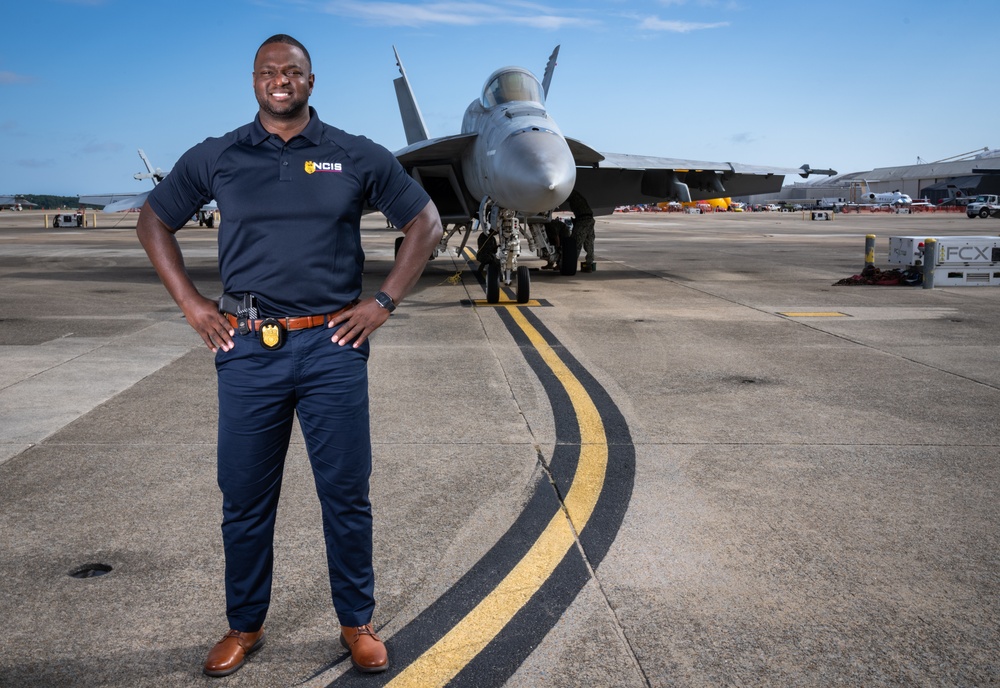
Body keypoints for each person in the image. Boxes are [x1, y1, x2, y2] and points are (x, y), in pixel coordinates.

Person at [136, 34, 442, 678]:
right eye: (269, 72)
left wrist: (382, 303)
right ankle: (244, 626)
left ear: (310, 80)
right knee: (244, 497)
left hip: (333, 346)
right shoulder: (218, 155)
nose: (281, 80)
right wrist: (193, 305)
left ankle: (356, 621)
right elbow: (153, 220)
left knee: (346, 494)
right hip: (249, 350)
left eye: (293, 71)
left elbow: (426, 223)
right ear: (254, 81)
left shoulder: (354, 154)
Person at [567, 189, 596, 272]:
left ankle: (570, 264)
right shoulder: (577, 196)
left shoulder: (573, 196)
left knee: (575, 243)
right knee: (589, 241)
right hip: (589, 219)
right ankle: (589, 263)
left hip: (583, 220)